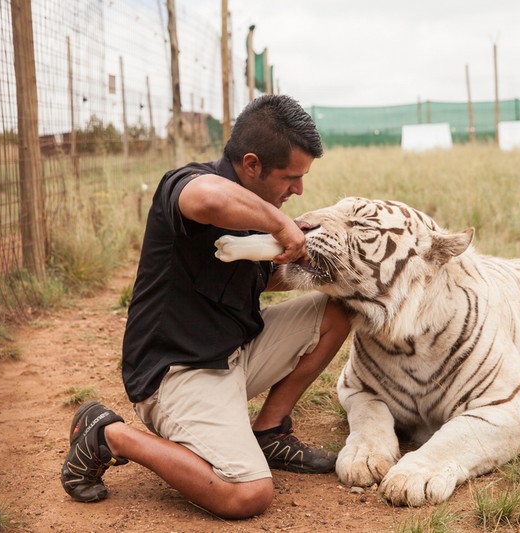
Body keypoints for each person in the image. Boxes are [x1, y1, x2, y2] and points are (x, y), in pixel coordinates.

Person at [60, 94, 351, 519]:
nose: (299, 189)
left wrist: (314, 266)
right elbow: (210, 200)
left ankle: (269, 431)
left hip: (234, 353)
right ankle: (109, 435)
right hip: (178, 373)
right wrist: (281, 224)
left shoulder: (259, 209)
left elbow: (251, 280)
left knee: (337, 312)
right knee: (248, 494)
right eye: (292, 177)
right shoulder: (190, 184)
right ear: (251, 164)